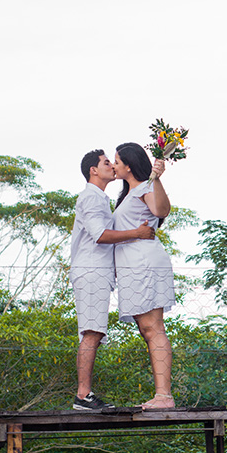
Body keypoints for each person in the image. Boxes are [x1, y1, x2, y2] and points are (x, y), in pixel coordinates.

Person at [71, 149, 155, 410]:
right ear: (93, 171)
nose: (111, 166)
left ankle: (84, 394)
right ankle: (83, 395)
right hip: (92, 270)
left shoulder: (98, 198)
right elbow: (100, 235)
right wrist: (138, 233)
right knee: (92, 331)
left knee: (93, 330)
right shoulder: (92, 198)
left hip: (96, 271)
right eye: (106, 162)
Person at [112, 142, 176, 410]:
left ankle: (164, 396)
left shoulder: (146, 187)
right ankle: (161, 394)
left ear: (128, 164)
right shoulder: (130, 193)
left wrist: (157, 179)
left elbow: (161, 211)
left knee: (153, 328)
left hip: (144, 263)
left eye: (116, 161)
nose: (113, 165)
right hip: (133, 266)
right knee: (147, 328)